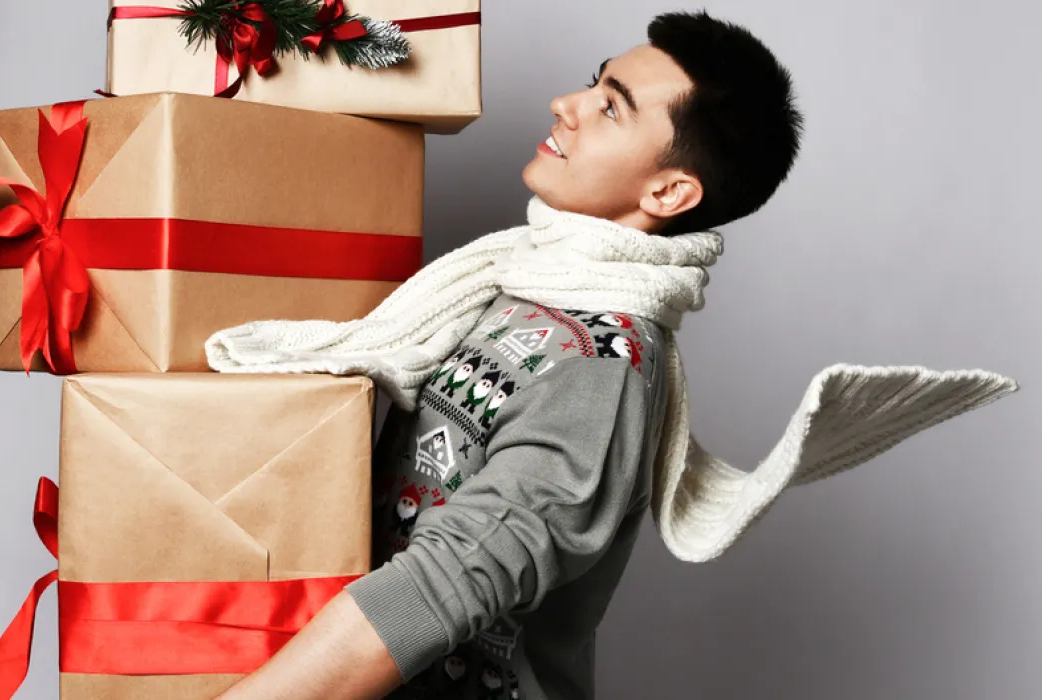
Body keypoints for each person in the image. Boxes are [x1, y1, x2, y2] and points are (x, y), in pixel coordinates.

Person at [207, 10, 1017, 700]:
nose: (567, 106)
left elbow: (447, 584)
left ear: (667, 194)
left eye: (612, 108)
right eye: (594, 85)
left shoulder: (604, 371)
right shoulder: (516, 282)